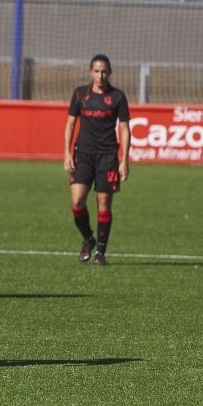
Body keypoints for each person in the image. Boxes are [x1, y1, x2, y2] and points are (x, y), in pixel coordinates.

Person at [63, 53, 131, 266]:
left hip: (108, 156)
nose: (100, 75)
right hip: (83, 154)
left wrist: (124, 159)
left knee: (103, 203)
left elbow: (125, 129)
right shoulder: (80, 95)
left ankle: (100, 252)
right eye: (96, 71)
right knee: (77, 200)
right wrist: (66, 153)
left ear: (109, 72)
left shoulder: (118, 97)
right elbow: (70, 125)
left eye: (104, 71)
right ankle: (88, 239)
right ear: (90, 72)